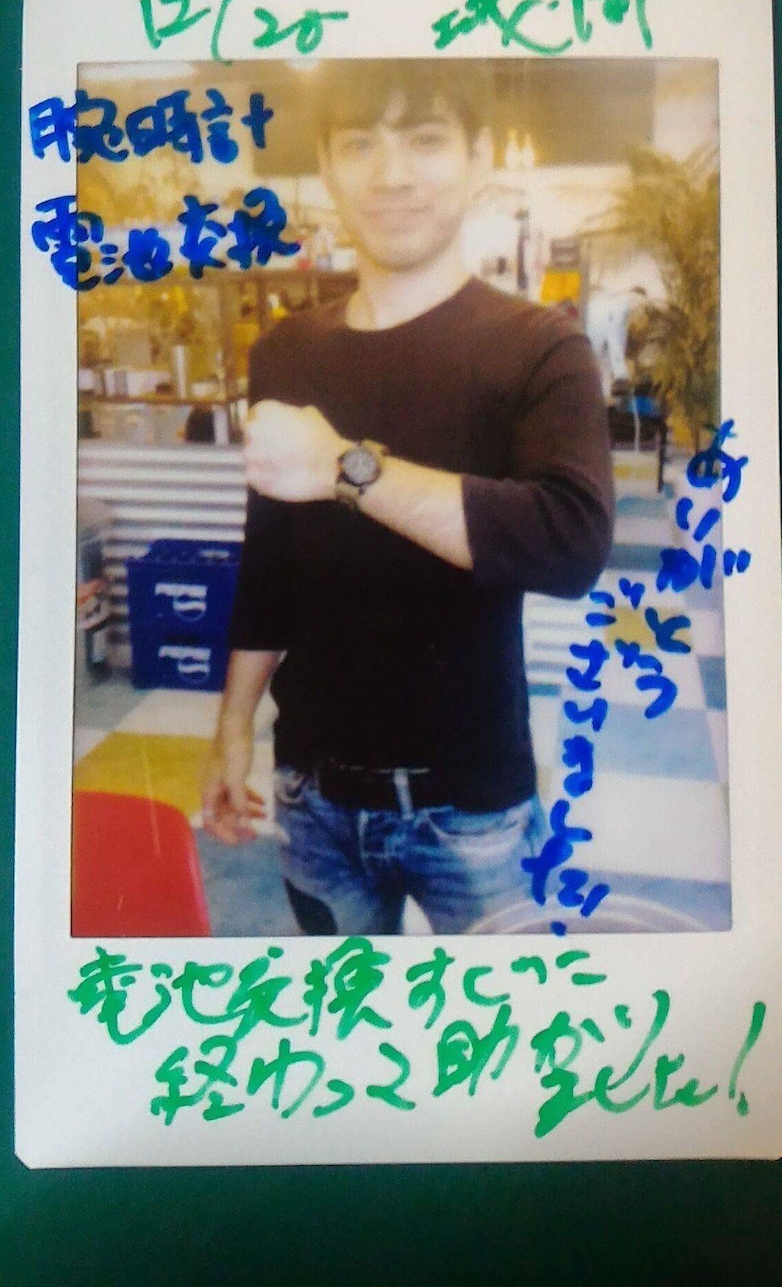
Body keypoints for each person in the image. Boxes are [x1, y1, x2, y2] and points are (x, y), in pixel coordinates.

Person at [202, 60, 614, 936]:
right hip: (313, 795)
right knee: (347, 1014)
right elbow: (269, 561)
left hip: (474, 808)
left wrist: (344, 467)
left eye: (425, 139)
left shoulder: (540, 348)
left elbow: (571, 543)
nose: (391, 175)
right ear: (326, 165)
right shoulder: (286, 355)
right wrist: (233, 724)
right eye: (359, 144)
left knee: (502, 1022)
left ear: (477, 157)